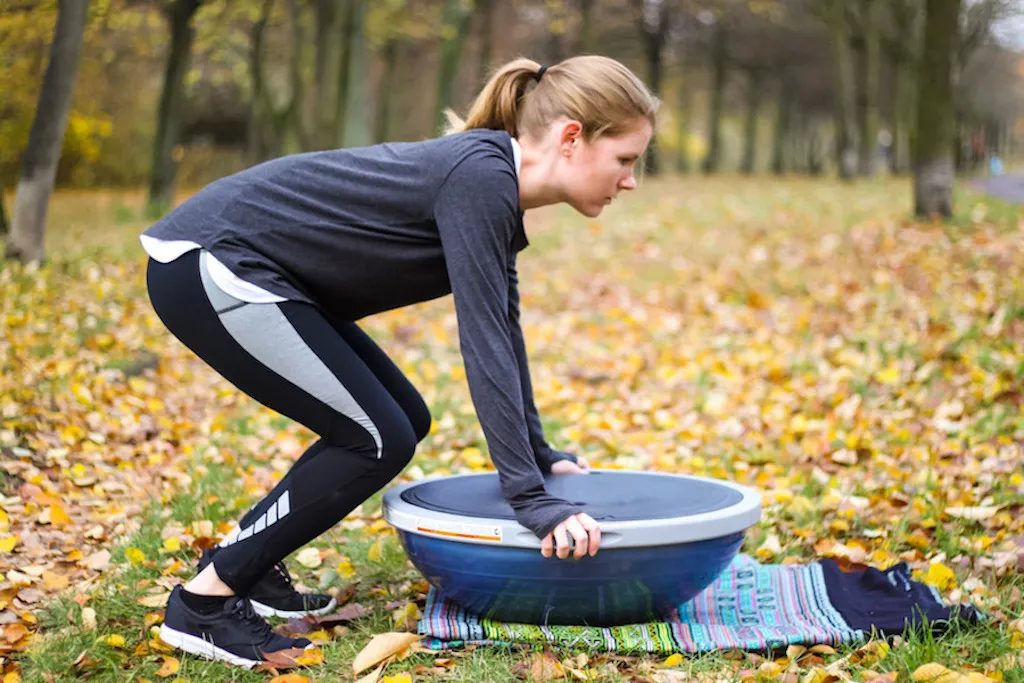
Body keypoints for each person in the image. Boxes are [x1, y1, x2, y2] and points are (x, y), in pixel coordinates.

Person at [142, 55, 657, 668]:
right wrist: (532, 501)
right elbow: (483, 340)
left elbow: (505, 333)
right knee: (375, 436)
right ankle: (204, 605)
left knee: (403, 421)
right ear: (572, 137)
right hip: (214, 267)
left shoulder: (494, 190)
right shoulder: (480, 177)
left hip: (260, 276)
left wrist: (541, 457)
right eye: (625, 159)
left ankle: (246, 565)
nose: (630, 180)